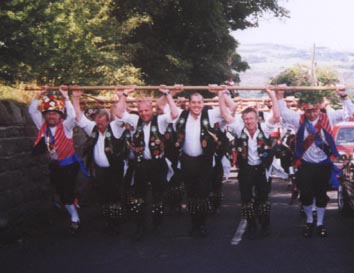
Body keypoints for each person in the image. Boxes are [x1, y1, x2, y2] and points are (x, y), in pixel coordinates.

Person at [276, 86, 354, 238]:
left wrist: (344, 96)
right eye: (308, 111)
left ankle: (320, 223)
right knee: (305, 194)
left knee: (321, 195)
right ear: (304, 110)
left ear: (319, 108)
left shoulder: (328, 118)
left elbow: (349, 113)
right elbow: (284, 114)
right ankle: (310, 221)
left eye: (314, 110)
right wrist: (279, 96)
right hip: (306, 165)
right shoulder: (298, 119)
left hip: (323, 164)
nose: (312, 114)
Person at [115, 85, 181, 240]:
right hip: (141, 164)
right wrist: (123, 95)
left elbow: (175, 113)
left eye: (146, 110)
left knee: (158, 196)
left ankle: (157, 225)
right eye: (141, 111)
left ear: (151, 110)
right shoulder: (134, 119)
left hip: (158, 165)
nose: (144, 114)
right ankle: (140, 226)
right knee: (139, 197)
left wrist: (167, 94)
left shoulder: (161, 120)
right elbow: (118, 113)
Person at [219, 87, 280, 239]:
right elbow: (225, 115)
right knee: (246, 198)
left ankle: (265, 224)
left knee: (263, 198)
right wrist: (220, 95)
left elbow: (277, 116)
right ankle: (251, 223)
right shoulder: (239, 129)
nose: (249, 122)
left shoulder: (264, 128)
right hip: (246, 168)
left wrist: (272, 95)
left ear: (257, 118)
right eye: (246, 119)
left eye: (251, 118)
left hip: (262, 168)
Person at [72, 89, 132, 234]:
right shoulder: (92, 129)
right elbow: (79, 117)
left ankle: (116, 223)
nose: (99, 127)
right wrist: (75, 98)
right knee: (103, 196)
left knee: (115, 196)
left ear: (108, 121)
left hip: (114, 169)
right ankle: (108, 222)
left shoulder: (116, 128)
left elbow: (119, 113)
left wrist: (122, 96)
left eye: (102, 124)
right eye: (97, 124)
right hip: (100, 171)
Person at [29, 86, 84, 233]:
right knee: (61, 192)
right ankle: (71, 203)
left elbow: (72, 116)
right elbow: (32, 111)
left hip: (70, 165)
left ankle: (75, 218)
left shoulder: (66, 126)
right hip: (55, 165)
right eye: (48, 114)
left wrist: (66, 97)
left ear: (60, 116)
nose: (51, 117)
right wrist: (38, 94)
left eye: (54, 114)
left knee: (66, 193)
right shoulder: (42, 127)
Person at [173, 87, 226, 237]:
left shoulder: (209, 114)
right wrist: (169, 94)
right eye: (194, 102)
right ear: (189, 104)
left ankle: (201, 224)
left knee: (202, 195)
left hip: (204, 162)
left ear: (203, 104)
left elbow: (224, 112)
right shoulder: (182, 115)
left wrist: (220, 94)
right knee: (191, 195)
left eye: (199, 102)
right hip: (187, 161)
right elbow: (162, 107)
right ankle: (193, 224)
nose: (197, 105)